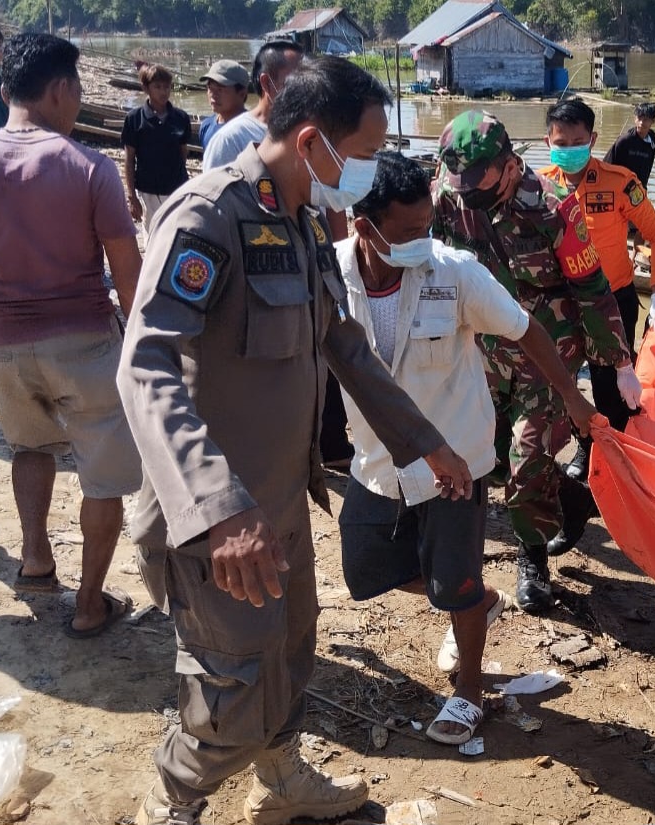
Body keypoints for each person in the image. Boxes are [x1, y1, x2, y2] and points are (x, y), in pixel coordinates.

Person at [117, 56, 472, 825]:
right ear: (315, 142)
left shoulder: (298, 220)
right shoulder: (206, 217)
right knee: (231, 688)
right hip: (216, 525)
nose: (374, 169)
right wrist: (217, 509)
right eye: (370, 151)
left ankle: (279, 781)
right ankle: (171, 796)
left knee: (289, 657)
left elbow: (341, 343)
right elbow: (145, 367)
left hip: (278, 508)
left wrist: (426, 441)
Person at [337, 151, 599, 744]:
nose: (421, 243)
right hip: (377, 460)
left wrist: (574, 399)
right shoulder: (330, 278)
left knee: (453, 581)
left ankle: (469, 692)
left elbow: (526, 328)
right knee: (366, 572)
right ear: (363, 227)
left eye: (426, 228)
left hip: (457, 458)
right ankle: (479, 604)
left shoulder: (454, 273)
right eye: (406, 233)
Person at [0, 33, 143, 637]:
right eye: (79, 89)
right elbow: (128, 274)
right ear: (61, 90)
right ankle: (90, 604)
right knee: (103, 476)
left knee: (28, 447)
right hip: (84, 343)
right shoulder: (89, 168)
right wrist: (145, 349)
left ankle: (36, 558)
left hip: (1, 344)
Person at [431, 109, 637, 613]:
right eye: (458, 186)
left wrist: (618, 362)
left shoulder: (553, 210)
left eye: (476, 187)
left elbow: (592, 289)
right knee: (493, 458)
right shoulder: (449, 193)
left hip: (548, 351)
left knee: (527, 461)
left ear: (507, 167)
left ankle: (533, 557)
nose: (466, 198)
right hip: (484, 349)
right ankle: (571, 497)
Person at [538, 97, 655, 553]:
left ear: (593, 141)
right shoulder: (538, 188)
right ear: (547, 142)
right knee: (561, 390)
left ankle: (614, 476)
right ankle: (583, 450)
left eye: (578, 142)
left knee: (612, 394)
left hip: (612, 300)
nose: (569, 150)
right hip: (561, 306)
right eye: (561, 143)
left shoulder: (620, 183)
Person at [201, 39, 303, 170]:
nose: (305, 88)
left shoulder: (308, 132)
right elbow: (213, 188)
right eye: (296, 81)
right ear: (266, 83)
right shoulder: (230, 139)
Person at [120, 64, 190, 228]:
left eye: (167, 87)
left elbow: (183, 153)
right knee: (152, 233)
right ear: (146, 88)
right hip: (148, 190)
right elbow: (129, 160)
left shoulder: (181, 117)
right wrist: (132, 197)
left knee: (176, 231)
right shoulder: (135, 119)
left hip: (177, 187)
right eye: (157, 87)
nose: (163, 91)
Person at [603, 102, 655, 189]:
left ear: (653, 121)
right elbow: (606, 165)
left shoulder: (653, 139)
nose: (641, 123)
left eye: (646, 119)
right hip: (621, 187)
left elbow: (649, 165)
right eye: (639, 118)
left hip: (640, 188)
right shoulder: (624, 140)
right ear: (635, 118)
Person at [198, 59, 249, 149]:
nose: (213, 95)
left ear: (242, 94)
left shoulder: (251, 131)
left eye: (220, 90)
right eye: (210, 88)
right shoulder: (206, 126)